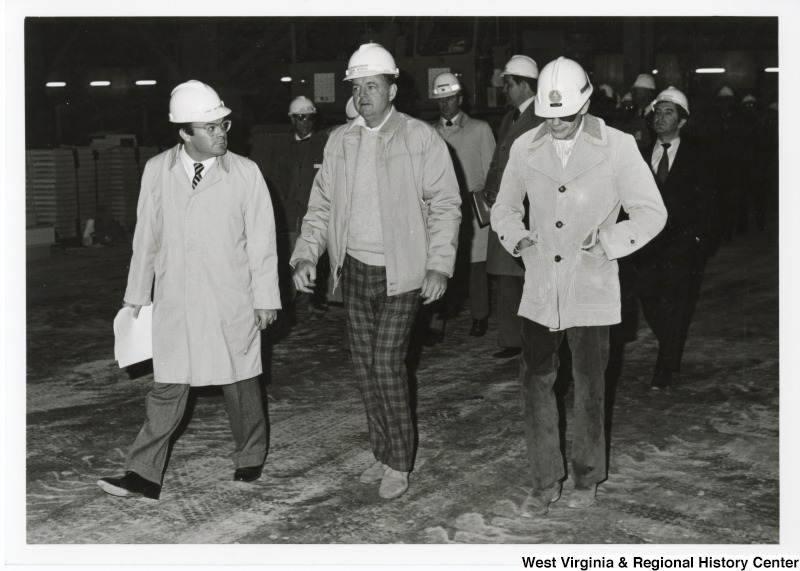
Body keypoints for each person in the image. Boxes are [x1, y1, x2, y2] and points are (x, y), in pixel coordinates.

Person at [491, 57, 667, 516]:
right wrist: (519, 239)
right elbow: (504, 208)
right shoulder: (525, 146)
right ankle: (544, 481)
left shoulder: (619, 146)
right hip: (541, 287)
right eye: (549, 118)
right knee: (535, 384)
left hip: (591, 285)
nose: (557, 126)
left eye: (566, 116)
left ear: (585, 104)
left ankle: (588, 477)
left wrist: (609, 242)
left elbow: (651, 212)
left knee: (590, 386)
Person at [290, 43, 461, 500]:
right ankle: (382, 452)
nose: (363, 94)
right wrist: (306, 255)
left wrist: (439, 265)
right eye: (357, 87)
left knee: (387, 364)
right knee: (366, 368)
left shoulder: (420, 138)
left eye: (372, 85)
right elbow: (321, 206)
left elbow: (446, 205)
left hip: (403, 272)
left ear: (392, 88)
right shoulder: (340, 141)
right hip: (356, 270)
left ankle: (400, 462)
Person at [96, 80, 281, 500]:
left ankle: (250, 455)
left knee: (241, 381)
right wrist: (137, 294)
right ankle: (143, 474)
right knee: (168, 385)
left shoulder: (246, 174)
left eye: (223, 124)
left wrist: (266, 297)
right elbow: (146, 237)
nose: (222, 134)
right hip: (176, 297)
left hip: (229, 295)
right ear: (184, 133)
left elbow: (262, 242)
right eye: (211, 127)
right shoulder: (157, 170)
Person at [633, 87, 717, 389]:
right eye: (658, 111)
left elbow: (710, 203)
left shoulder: (698, 157)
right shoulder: (640, 157)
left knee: (675, 305)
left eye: (668, 112)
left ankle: (664, 366)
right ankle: (673, 349)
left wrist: (698, 241)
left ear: (682, 122)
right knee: (651, 303)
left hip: (683, 248)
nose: (660, 117)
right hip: (647, 248)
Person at [483, 55, 543, 359]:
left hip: (528, 210)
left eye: (508, 83)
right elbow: (499, 158)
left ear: (524, 84)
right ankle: (511, 339)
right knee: (506, 275)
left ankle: (533, 338)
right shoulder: (510, 118)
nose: (504, 88)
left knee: (527, 276)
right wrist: (491, 187)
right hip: (505, 206)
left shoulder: (544, 116)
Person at [251, 95, 329, 319]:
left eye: (309, 117)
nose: (305, 122)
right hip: (288, 215)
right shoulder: (281, 146)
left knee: (309, 261)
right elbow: (273, 179)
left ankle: (304, 306)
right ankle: (290, 306)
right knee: (289, 261)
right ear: (292, 120)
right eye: (300, 117)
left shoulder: (323, 143)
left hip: (313, 216)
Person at [431, 72, 496, 337]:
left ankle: (480, 315)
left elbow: (493, 169)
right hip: (442, 208)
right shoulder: (430, 134)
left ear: (460, 98)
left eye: (449, 98)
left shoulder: (480, 129)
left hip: (473, 207)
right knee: (441, 263)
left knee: (476, 265)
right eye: (441, 99)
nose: (445, 104)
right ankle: (437, 319)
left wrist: (490, 205)